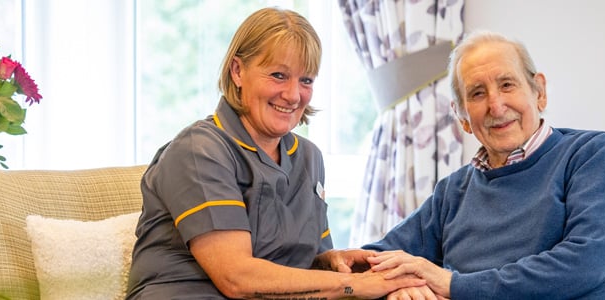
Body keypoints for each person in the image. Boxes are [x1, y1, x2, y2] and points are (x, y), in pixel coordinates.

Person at [126, 7, 424, 299]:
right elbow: (237, 278)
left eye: (306, 80)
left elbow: (298, 265)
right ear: (237, 71)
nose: (293, 95)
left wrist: (332, 262)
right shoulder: (199, 150)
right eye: (278, 75)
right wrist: (353, 286)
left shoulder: (308, 157)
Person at [358, 31, 605, 299]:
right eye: (477, 93)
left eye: (507, 84)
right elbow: (374, 259)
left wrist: (451, 284)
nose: (496, 105)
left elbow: (586, 263)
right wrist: (399, 286)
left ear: (539, 92)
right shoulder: (453, 191)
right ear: (462, 117)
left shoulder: (592, 154)